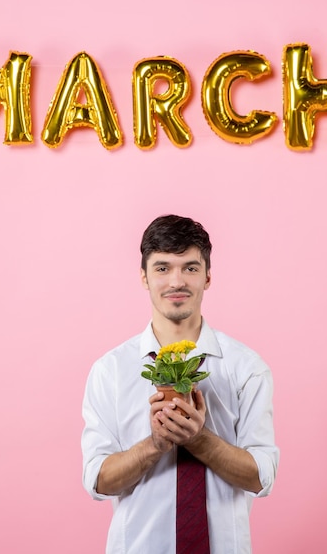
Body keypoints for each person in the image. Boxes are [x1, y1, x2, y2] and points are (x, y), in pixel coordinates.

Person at [81, 215, 279, 554]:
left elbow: (261, 476)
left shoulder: (247, 368)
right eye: (162, 268)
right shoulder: (110, 371)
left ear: (208, 277)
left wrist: (198, 440)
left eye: (190, 268)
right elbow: (98, 480)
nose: (177, 281)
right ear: (144, 277)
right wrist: (156, 444)